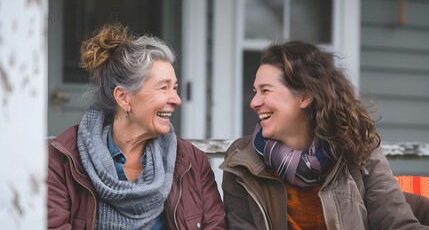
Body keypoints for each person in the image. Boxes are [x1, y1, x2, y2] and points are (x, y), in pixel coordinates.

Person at [220, 40, 429, 229]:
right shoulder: (241, 161)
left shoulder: (357, 147)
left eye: (265, 90)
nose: (254, 102)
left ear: (304, 97)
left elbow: (396, 222)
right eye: (255, 91)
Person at [47, 23, 226, 229]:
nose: (176, 99)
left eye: (175, 88)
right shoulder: (63, 160)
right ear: (124, 98)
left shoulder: (192, 162)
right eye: (164, 88)